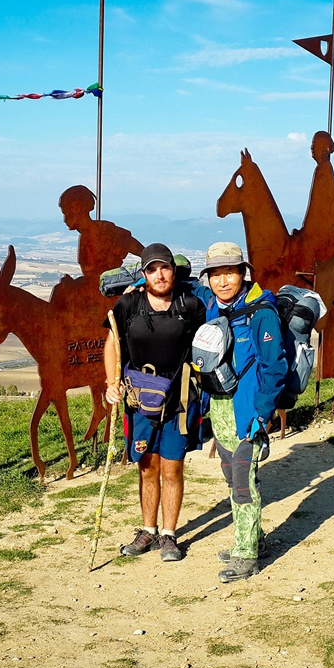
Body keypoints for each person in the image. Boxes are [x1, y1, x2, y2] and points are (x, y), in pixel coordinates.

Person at [103, 243, 206, 562]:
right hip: (139, 397)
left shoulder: (190, 304)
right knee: (147, 466)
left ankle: (169, 535)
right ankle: (148, 530)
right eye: (152, 269)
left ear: (173, 271)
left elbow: (205, 349)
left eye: (164, 268)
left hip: (179, 398)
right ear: (144, 274)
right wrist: (110, 383)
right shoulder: (128, 304)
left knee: (172, 468)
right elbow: (112, 344)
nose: (159, 274)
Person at [192, 242, 287, 583]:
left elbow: (275, 367)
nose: (223, 281)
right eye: (215, 275)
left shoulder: (261, 312)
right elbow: (182, 283)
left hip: (248, 412)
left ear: (243, 273)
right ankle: (254, 540)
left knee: (243, 483)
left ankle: (246, 555)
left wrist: (262, 415)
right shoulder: (212, 306)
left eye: (229, 273)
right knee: (232, 477)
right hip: (220, 409)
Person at [60, 185, 144, 281]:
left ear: (77, 211)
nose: (65, 219)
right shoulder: (87, 234)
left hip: (106, 287)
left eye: (67, 213)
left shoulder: (104, 230)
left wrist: (152, 259)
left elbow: (129, 243)